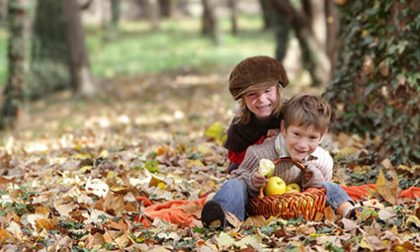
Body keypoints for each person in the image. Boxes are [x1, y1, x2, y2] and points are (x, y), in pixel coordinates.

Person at [202, 94, 357, 228]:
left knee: (329, 186)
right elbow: (239, 177)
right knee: (234, 185)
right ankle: (223, 216)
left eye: (312, 137)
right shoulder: (260, 154)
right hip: (258, 205)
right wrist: (253, 181)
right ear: (283, 128)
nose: (303, 145)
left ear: (322, 136)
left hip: (299, 206)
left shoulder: (323, 160)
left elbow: (318, 194)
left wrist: (311, 177)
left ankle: (349, 211)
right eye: (296, 134)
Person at [224, 55, 289, 173]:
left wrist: (282, 134)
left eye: (267, 91)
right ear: (243, 98)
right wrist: (263, 143)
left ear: (278, 90)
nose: (262, 99)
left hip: (288, 168)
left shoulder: (291, 113)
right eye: (252, 94)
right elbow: (236, 164)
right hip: (254, 174)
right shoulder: (239, 126)